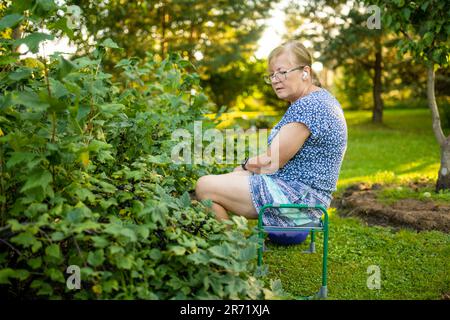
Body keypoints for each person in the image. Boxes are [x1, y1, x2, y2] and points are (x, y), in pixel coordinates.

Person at [195, 40, 347, 226]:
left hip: (299, 203)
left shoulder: (309, 106)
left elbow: (272, 161)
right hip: (305, 195)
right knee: (234, 176)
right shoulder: (318, 99)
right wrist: (242, 171)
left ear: (305, 72)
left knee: (204, 186)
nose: (275, 80)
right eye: (272, 75)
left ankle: (233, 246)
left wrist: (245, 165)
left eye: (282, 72)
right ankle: (233, 237)